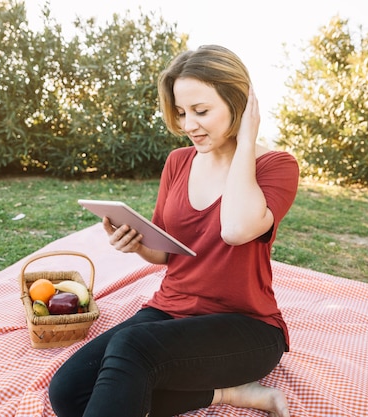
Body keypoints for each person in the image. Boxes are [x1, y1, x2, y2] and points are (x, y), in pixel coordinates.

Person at [48, 44, 299, 417]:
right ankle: (227, 393)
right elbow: (167, 253)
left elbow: (235, 229)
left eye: (201, 111)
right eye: (182, 112)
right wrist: (135, 244)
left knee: (133, 350)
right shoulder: (178, 162)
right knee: (68, 392)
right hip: (171, 310)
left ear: (239, 104)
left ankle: (232, 383)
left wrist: (246, 141)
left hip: (246, 326)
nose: (188, 125)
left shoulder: (277, 166)